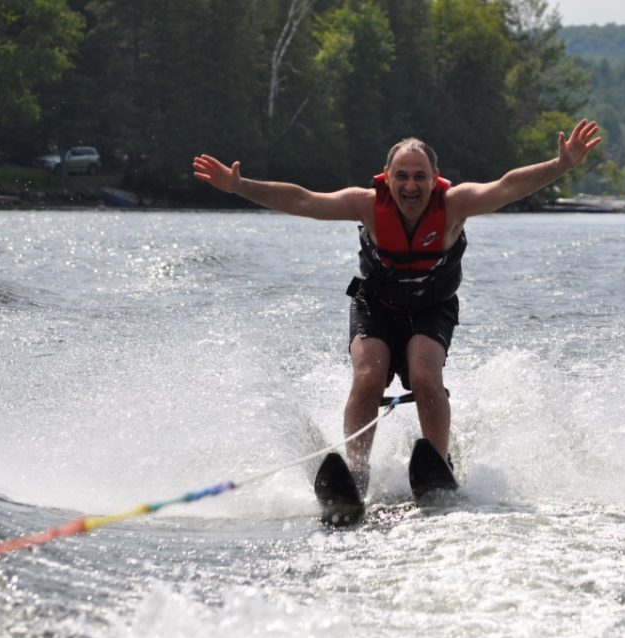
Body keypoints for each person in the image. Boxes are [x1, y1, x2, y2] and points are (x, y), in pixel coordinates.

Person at [193, 119, 601, 491]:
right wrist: (240, 186)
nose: (410, 186)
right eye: (401, 177)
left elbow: (508, 186)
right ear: (387, 179)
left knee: (425, 373)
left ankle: (439, 464)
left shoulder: (455, 205)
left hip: (431, 307)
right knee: (369, 374)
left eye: (420, 177)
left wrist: (560, 166)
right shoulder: (367, 204)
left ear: (434, 179)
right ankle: (356, 472)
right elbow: (302, 200)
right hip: (377, 305)